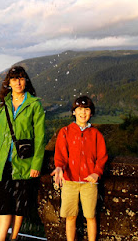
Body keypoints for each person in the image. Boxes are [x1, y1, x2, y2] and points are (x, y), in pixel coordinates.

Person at [0, 65, 46, 241]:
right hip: (2, 161)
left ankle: (14, 237)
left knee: (20, 205)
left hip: (25, 162)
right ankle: (1, 238)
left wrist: (36, 164)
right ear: (8, 83)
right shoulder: (0, 105)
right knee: (3, 204)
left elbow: (40, 137)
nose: (18, 82)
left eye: (21, 78)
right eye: (14, 79)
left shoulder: (34, 104)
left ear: (25, 81)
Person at [51, 96, 108, 241]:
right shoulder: (65, 132)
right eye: (80, 109)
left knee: (90, 216)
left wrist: (97, 173)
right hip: (69, 181)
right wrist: (59, 168)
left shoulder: (96, 135)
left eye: (87, 109)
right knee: (70, 217)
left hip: (89, 182)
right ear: (74, 112)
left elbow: (102, 157)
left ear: (91, 113)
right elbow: (61, 156)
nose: (83, 113)